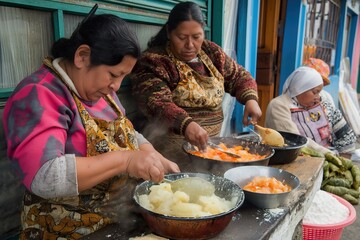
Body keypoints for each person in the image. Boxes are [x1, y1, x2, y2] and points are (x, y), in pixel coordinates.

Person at [2, 5, 179, 239]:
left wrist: (149, 152)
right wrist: (126, 160)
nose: (116, 86)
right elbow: (44, 176)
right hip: (65, 230)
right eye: (113, 75)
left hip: (113, 221)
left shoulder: (101, 91)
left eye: (123, 77)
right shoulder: (40, 94)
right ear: (82, 56)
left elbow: (125, 130)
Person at [130, 1, 261, 168]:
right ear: (169, 32)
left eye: (196, 37)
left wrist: (250, 99)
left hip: (210, 153)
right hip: (170, 158)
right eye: (182, 37)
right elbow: (157, 102)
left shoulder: (211, 53)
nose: (190, 45)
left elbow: (239, 76)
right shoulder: (154, 61)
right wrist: (186, 124)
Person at [265, 66, 357, 155]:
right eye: (315, 92)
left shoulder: (322, 102)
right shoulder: (279, 106)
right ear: (299, 88)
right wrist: (329, 155)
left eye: (319, 92)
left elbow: (344, 131)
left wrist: (343, 161)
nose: (318, 97)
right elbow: (295, 141)